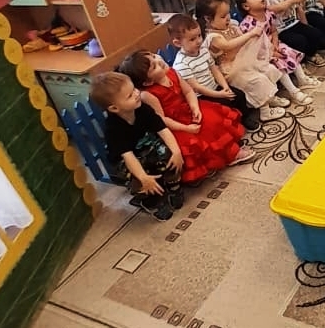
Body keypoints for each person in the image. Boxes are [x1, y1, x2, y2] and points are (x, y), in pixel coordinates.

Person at [118, 50, 255, 186]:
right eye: (154, 66)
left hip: (188, 109)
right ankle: (217, 161)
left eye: (154, 56)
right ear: (148, 82)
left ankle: (230, 152)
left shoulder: (172, 72)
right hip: (174, 123)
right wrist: (186, 128)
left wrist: (195, 107)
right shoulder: (148, 95)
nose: (159, 60)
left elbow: (188, 91)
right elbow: (161, 119)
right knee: (193, 141)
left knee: (214, 121)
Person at [90, 71, 184, 221]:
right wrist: (143, 177)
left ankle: (174, 187)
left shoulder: (143, 109)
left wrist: (176, 152)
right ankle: (150, 201)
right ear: (114, 108)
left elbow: (163, 130)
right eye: (129, 95)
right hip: (126, 160)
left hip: (147, 148)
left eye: (134, 89)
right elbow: (128, 156)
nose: (136, 94)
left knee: (169, 154)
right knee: (140, 180)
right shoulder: (113, 128)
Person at [194, 0, 287, 122]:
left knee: (268, 69)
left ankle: (269, 98)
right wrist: (250, 34)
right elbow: (228, 45)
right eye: (222, 16)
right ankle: (265, 111)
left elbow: (242, 39)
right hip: (231, 70)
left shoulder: (232, 26)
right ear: (208, 19)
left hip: (244, 62)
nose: (228, 18)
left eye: (228, 13)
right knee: (257, 80)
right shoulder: (212, 37)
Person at [167, 13, 261, 132]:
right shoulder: (181, 64)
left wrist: (225, 87)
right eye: (192, 39)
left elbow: (214, 69)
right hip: (202, 96)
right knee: (224, 105)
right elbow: (196, 87)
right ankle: (232, 129)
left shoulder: (203, 50)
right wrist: (219, 94)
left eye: (199, 36)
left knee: (239, 95)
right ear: (178, 43)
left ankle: (245, 118)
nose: (198, 41)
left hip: (214, 86)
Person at [236, 0, 319, 104]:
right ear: (246, 6)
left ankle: (302, 79)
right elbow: (252, 47)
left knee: (287, 51)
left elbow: (274, 31)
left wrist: (275, 44)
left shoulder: (268, 14)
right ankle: (293, 92)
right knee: (278, 62)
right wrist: (272, 52)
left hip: (271, 46)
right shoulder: (248, 25)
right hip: (258, 55)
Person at [256, 0, 325, 67]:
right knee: (299, 40)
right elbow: (266, 9)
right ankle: (300, 62)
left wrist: (287, 3)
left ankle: (310, 54)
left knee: (315, 34)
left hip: (294, 22)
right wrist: (281, 6)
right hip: (281, 29)